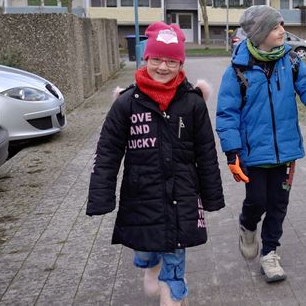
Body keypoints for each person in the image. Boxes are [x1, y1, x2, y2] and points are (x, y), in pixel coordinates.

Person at [87, 22, 224, 305]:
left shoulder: (192, 104)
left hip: (182, 197)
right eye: (157, 59)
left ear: (180, 63)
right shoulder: (126, 103)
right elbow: (108, 152)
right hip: (142, 198)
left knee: (173, 271)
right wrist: (101, 196)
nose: (163, 67)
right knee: (148, 252)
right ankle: (150, 264)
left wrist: (212, 197)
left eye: (172, 61)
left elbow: (207, 154)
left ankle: (174, 292)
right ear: (146, 59)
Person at [215, 5, 306, 283]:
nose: (283, 30)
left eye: (281, 24)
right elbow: (227, 114)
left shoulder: (292, 61)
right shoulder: (237, 70)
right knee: (257, 201)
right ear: (258, 34)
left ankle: (269, 253)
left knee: (279, 203)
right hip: (253, 154)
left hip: (286, 152)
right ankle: (247, 226)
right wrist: (232, 153)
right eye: (275, 27)